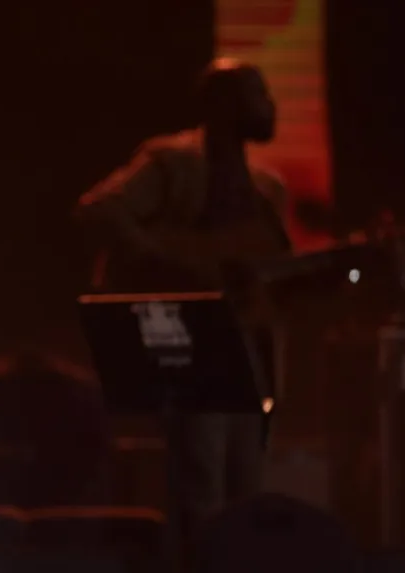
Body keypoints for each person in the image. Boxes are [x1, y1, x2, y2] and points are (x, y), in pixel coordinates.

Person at [76, 58, 293, 546]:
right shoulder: (172, 162)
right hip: (191, 340)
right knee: (202, 479)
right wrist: (180, 263)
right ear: (223, 104)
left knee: (247, 481)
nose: (269, 106)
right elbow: (100, 210)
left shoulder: (269, 187)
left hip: (249, 348)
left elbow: (274, 271)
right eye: (256, 93)